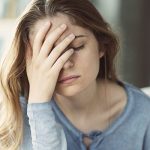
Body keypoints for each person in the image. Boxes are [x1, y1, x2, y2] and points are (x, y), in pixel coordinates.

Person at [0, 0, 150, 150]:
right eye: (50, 53)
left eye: (77, 47)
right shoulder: (16, 116)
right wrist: (39, 105)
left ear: (102, 45)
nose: (66, 63)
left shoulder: (144, 115)